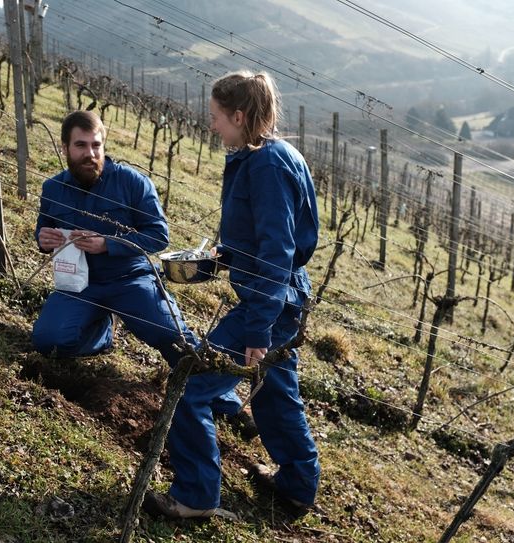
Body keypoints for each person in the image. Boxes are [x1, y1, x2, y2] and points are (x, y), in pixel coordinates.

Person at [144, 71, 321, 520]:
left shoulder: (265, 166)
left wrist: (258, 327)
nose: (213, 126)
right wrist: (230, 254)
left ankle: (196, 496)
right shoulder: (276, 154)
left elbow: (279, 250)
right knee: (274, 390)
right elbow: (270, 238)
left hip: (271, 301)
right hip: (285, 298)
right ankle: (299, 485)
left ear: (239, 116)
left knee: (190, 386)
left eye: (217, 117)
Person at [32, 111, 258, 437]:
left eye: (96, 145)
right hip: (79, 283)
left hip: (131, 279)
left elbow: (157, 235)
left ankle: (225, 402)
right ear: (66, 147)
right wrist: (44, 239)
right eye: (81, 146)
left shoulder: (131, 182)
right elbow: (44, 230)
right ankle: (101, 331)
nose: (90, 153)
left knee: (174, 338)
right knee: (48, 340)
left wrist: (108, 244)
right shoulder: (53, 188)